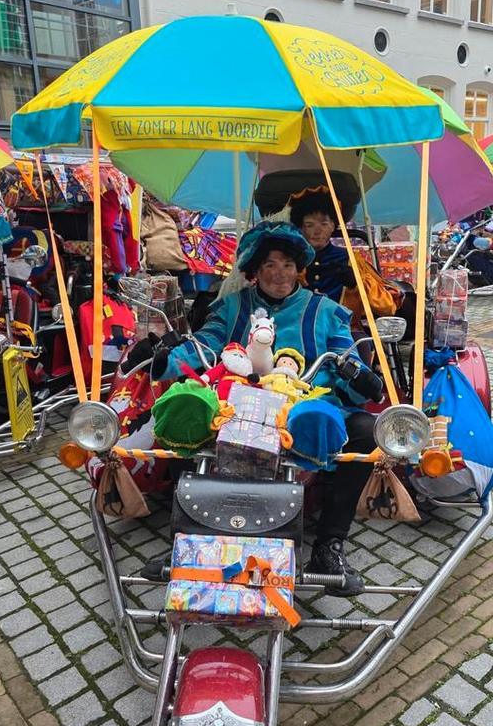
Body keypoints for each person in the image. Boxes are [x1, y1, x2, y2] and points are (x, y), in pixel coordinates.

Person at [158, 222, 384, 596]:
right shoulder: (231, 306)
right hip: (238, 403)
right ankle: (184, 538)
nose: (280, 273)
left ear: (299, 269)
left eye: (288, 265)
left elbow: (346, 356)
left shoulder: (326, 310)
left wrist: (358, 376)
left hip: (308, 403)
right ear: (254, 272)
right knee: (181, 418)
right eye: (270, 266)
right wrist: (165, 359)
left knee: (364, 430)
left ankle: (329, 544)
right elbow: (206, 344)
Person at [287, 186, 402, 328]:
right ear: (301, 228)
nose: (318, 230)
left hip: (347, 334)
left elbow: (387, 307)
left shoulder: (351, 260)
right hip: (299, 331)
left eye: (324, 223)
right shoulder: (291, 260)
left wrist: (357, 284)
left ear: (333, 226)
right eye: (310, 225)